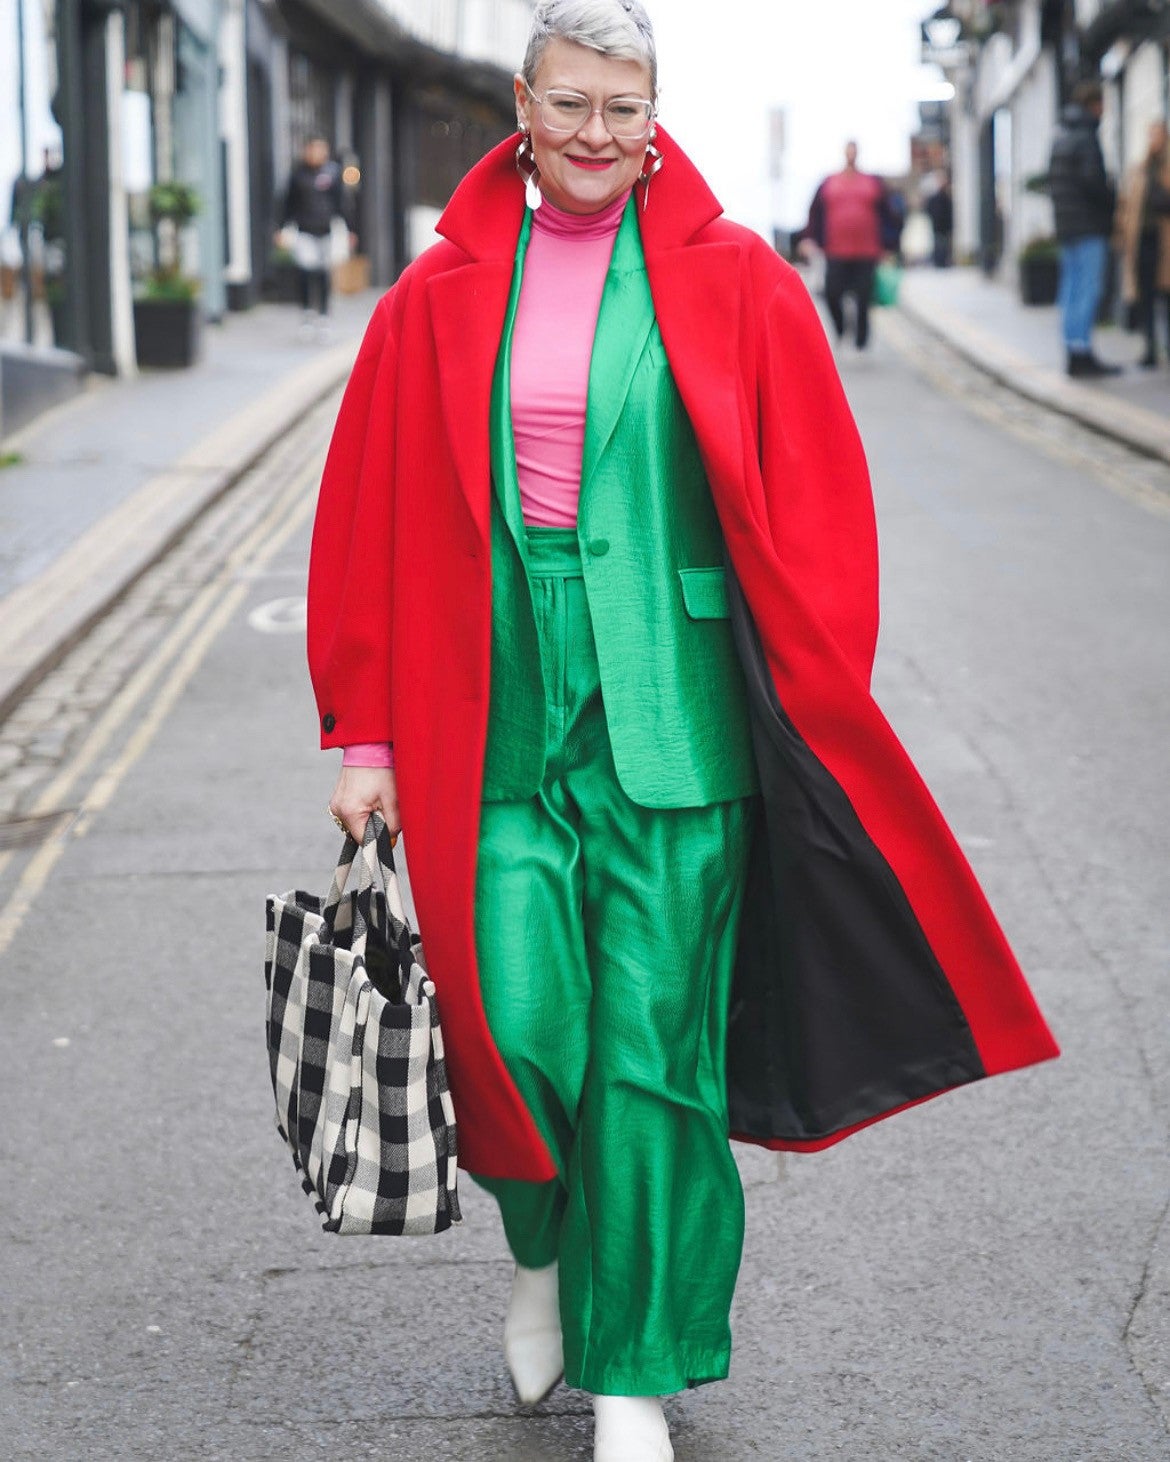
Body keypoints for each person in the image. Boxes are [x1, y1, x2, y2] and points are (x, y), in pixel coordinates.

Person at [308, 3, 1058, 1458]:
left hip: (675, 723)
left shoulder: (741, 284)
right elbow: (364, 517)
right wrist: (365, 735)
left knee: (652, 1052)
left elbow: (824, 511)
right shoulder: (432, 296)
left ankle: (634, 1367)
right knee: (511, 1025)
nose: (597, 133)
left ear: (656, 111)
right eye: (571, 102)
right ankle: (542, 1246)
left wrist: (803, 706)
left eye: (624, 105)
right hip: (495, 714)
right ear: (520, 106)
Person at [1047, 80, 1120, 378]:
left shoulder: (1061, 136)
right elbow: (1093, 184)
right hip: (1089, 225)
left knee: (1071, 290)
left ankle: (1073, 349)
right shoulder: (1087, 137)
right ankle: (1082, 353)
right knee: (1088, 289)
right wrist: (1112, 197)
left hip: (1067, 227)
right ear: (1095, 105)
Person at [800, 140, 894, 348]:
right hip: (835, 250)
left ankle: (861, 337)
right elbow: (815, 212)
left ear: (857, 154)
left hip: (867, 250)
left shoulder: (872, 182)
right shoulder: (828, 182)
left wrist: (888, 246)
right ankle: (841, 328)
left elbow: (887, 215)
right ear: (844, 154)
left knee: (863, 295)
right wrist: (808, 238)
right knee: (832, 292)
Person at [276, 137, 356, 340]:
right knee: (305, 271)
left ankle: (323, 314)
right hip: (304, 231)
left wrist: (350, 229)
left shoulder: (332, 173)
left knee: (323, 273)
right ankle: (307, 313)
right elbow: (287, 204)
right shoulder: (298, 175)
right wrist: (280, 228)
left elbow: (342, 204)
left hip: (326, 231)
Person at [1115, 118, 1170, 368]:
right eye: (1150, 134)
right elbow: (1126, 205)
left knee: (1166, 297)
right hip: (1143, 242)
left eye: (1157, 134)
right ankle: (1149, 348)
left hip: (1165, 242)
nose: (1153, 139)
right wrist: (1121, 235)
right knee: (1145, 297)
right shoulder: (1139, 168)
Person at [926, 171, 954, 267]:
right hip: (937, 225)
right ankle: (939, 262)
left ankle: (942, 261)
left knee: (943, 245)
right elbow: (929, 210)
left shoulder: (946, 198)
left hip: (943, 226)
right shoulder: (935, 198)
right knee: (938, 244)